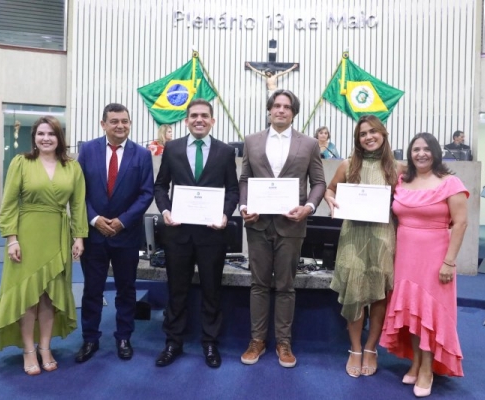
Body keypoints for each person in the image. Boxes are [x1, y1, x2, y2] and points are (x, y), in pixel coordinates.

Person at [0, 116, 88, 375]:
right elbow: (8, 203)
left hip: (58, 236)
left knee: (49, 297)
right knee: (27, 296)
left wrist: (79, 237)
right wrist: (11, 239)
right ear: (34, 138)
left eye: (51, 134)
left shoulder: (72, 167)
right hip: (27, 235)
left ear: (59, 138)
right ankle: (29, 350)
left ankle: (45, 347)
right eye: (41, 133)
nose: (45, 138)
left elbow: (77, 205)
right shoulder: (22, 163)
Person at [239, 89, 326, 368]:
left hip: (292, 224)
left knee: (286, 286)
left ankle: (283, 342)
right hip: (257, 224)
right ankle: (256, 340)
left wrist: (309, 208)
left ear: (293, 113)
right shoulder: (251, 141)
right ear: (269, 110)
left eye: (286, 107)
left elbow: (319, 183)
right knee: (258, 284)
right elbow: (244, 180)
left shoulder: (310, 144)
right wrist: (243, 207)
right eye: (276, 105)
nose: (280, 110)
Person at [380, 132, 469, 398]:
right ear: (409, 153)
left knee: (431, 314)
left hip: (435, 257)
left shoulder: (450, 183)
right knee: (413, 313)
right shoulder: (402, 180)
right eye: (416, 149)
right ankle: (416, 362)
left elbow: (461, 223)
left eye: (426, 149)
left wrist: (449, 262)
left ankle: (428, 369)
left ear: (436, 152)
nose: (421, 153)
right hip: (405, 255)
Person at [153, 99, 239, 368]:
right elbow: (160, 186)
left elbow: (233, 190)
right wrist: (165, 210)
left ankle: (210, 343)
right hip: (178, 233)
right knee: (176, 289)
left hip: (212, 234)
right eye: (194, 116)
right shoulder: (173, 148)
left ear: (212, 121)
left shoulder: (225, 152)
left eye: (204, 115)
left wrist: (226, 214)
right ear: (186, 120)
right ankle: (173, 342)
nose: (199, 119)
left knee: (212, 290)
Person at [75, 103, 154, 363]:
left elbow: (146, 194)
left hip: (127, 235)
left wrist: (122, 221)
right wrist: (94, 219)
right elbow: (78, 192)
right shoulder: (86, 150)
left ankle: (123, 337)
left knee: (126, 290)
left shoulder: (141, 155)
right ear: (103, 124)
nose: (120, 125)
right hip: (94, 234)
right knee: (92, 290)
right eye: (114, 121)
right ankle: (90, 339)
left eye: (125, 121)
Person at [324, 114, 401, 378]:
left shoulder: (397, 168)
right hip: (353, 237)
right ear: (357, 139)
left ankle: (371, 348)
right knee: (355, 292)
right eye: (362, 133)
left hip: (383, 238)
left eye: (373, 132)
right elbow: (330, 189)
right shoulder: (348, 164)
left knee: (378, 295)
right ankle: (355, 349)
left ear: (383, 133)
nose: (368, 137)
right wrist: (331, 200)